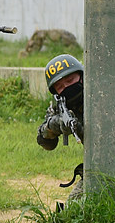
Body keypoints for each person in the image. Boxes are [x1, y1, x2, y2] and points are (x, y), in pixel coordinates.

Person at [36, 54, 84, 203]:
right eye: (61, 87)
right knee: (73, 211)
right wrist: (55, 125)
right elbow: (46, 143)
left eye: (70, 81)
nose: (67, 88)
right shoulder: (61, 106)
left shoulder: (100, 94)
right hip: (96, 166)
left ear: (81, 76)